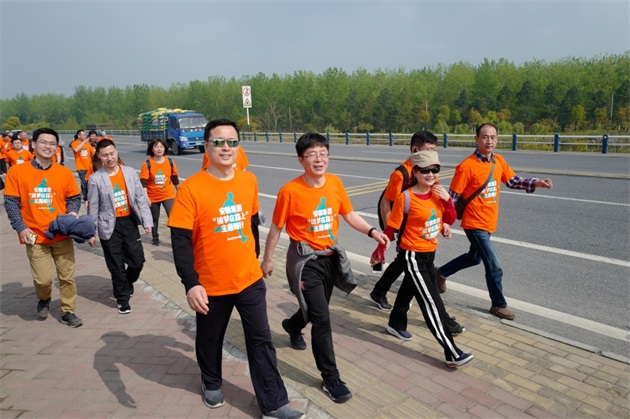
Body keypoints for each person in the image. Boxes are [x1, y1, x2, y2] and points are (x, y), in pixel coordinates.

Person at [168, 118, 304, 419]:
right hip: (210, 284)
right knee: (210, 339)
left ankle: (273, 403)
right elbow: (180, 240)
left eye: (232, 142)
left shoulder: (248, 180)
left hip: (248, 279)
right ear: (206, 146)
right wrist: (191, 282)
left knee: (261, 340)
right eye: (219, 142)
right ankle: (212, 381)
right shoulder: (191, 188)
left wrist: (258, 259)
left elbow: (251, 222)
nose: (226, 147)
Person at [261, 133, 390, 404]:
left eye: (323, 154)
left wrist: (372, 231)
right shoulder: (289, 191)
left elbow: (349, 214)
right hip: (305, 261)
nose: (319, 159)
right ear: (301, 160)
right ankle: (330, 377)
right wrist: (268, 259)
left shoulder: (335, 183)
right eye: (312, 155)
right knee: (321, 318)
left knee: (314, 310)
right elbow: (276, 228)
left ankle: (292, 325)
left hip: (330, 258)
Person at [436, 123, 553, 320]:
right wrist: (445, 222)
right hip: (474, 223)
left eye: (493, 137)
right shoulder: (466, 166)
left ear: (497, 139)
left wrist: (536, 183)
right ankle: (498, 304)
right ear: (476, 139)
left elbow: (513, 181)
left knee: (474, 257)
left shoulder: (498, 161)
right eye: (485, 137)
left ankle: (441, 272)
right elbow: (452, 198)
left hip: (489, 222)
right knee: (494, 264)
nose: (489, 141)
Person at [371, 151, 473, 368]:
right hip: (412, 256)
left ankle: (395, 323)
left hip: (430, 253)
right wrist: (380, 250)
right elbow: (392, 226)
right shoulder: (406, 197)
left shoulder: (438, 192)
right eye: (425, 170)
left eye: (435, 170)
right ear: (415, 172)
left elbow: (450, 218)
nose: (430, 174)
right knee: (431, 302)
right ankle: (452, 352)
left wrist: (447, 201)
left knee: (410, 290)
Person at [4, 127, 84, 327]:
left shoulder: (64, 173)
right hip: (34, 235)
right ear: (33, 144)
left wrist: (73, 212)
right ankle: (44, 297)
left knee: (67, 276)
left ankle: (68, 311)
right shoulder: (17, 172)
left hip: (61, 233)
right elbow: (11, 202)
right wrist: (21, 227)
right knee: (43, 279)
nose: (48, 146)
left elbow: (74, 197)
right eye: (43, 142)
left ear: (57, 147)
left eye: (52, 143)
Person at [87, 139, 153, 315]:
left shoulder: (130, 172)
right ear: (99, 156)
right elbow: (93, 208)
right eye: (105, 155)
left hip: (129, 222)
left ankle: (127, 282)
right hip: (109, 225)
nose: (109, 158)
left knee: (137, 261)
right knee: (116, 266)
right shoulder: (95, 179)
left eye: (112, 153)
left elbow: (140, 199)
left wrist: (147, 222)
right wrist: (91, 233)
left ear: (116, 152)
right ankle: (122, 300)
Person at [140, 138, 179, 246]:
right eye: (156, 147)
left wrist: (179, 191)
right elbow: (144, 183)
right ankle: (155, 237)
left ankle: (176, 238)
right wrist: (146, 197)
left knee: (173, 216)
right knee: (155, 217)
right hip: (153, 196)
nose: (159, 149)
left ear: (165, 148)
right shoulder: (147, 164)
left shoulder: (170, 162)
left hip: (168, 194)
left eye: (161, 147)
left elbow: (175, 179)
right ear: (152, 149)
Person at [70, 129, 95, 202]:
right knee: (85, 183)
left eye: (85, 134)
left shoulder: (88, 144)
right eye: (83, 135)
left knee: (89, 183)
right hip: (81, 167)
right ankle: (87, 198)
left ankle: (87, 196)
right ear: (79, 136)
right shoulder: (74, 143)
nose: (85, 136)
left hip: (89, 167)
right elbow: (76, 150)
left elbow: (93, 154)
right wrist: (84, 142)